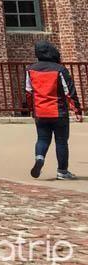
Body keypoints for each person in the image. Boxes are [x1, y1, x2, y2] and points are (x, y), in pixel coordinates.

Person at [26, 40, 82, 180]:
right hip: (58, 111)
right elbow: (69, 91)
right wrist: (77, 110)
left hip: (40, 111)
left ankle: (40, 158)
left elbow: (28, 91)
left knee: (42, 139)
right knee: (61, 141)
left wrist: (32, 109)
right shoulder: (59, 69)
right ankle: (62, 171)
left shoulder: (30, 69)